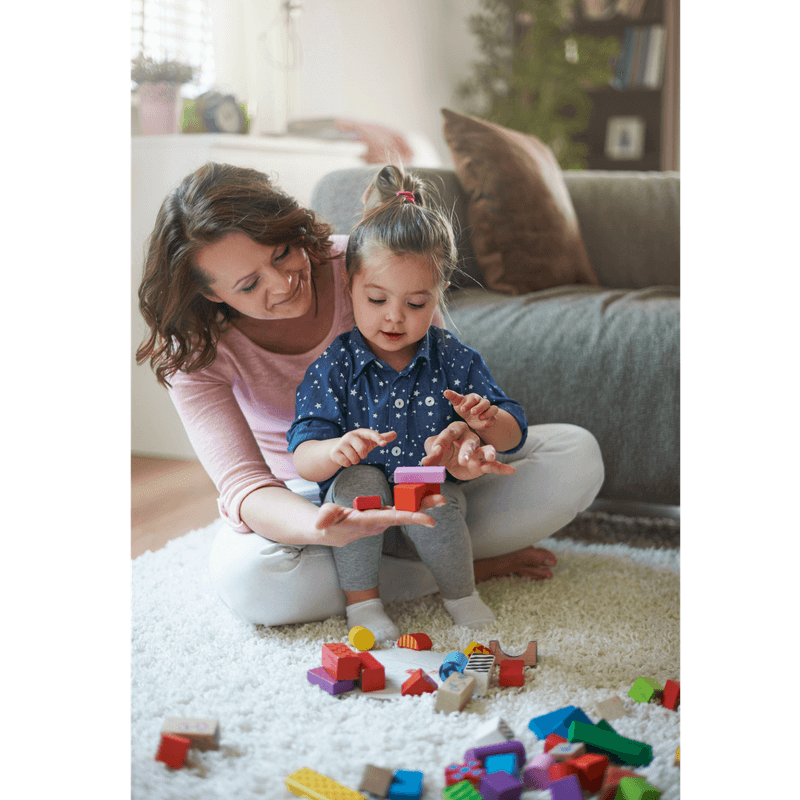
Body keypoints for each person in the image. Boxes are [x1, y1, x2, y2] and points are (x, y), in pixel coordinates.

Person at [136, 161, 604, 628]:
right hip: (312, 494)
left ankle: (406, 565)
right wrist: (323, 526)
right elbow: (245, 487)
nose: (282, 283)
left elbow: (438, 387)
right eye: (249, 284)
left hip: (426, 482)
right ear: (212, 294)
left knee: (576, 455)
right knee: (254, 582)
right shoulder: (195, 352)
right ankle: (449, 572)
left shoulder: (369, 268)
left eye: (281, 253)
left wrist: (462, 443)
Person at [286, 164, 529, 640]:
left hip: (433, 503)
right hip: (360, 513)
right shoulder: (334, 365)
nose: (395, 318)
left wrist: (485, 422)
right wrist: (332, 451)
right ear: (349, 285)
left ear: (439, 294)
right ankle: (364, 605)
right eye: (376, 299)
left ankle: (461, 594)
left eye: (417, 304)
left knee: (433, 494)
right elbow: (302, 452)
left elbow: (515, 432)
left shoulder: (453, 357)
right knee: (357, 481)